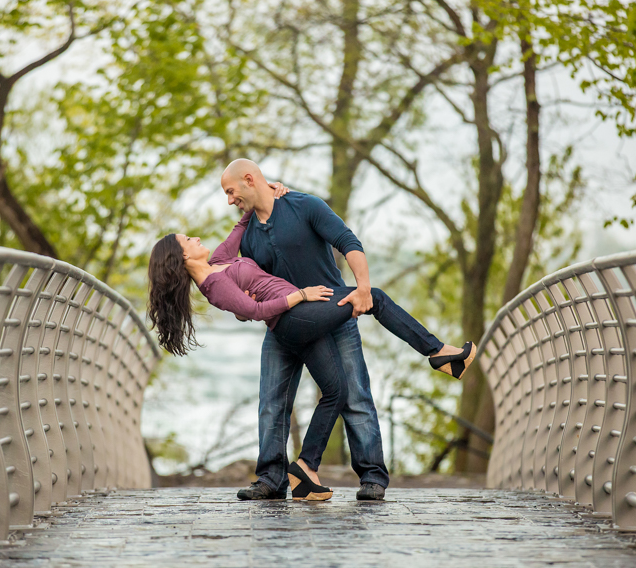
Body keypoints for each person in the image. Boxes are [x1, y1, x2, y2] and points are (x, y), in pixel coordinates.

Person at [147, 159, 476, 500]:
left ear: (249, 180)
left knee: (352, 395)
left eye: (231, 191)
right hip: (287, 323)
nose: (230, 200)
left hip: (329, 311)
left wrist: (360, 288)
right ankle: (273, 479)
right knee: (272, 401)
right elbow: (248, 300)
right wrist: (273, 301)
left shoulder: (303, 206)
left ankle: (367, 476)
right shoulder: (246, 242)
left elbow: (348, 241)